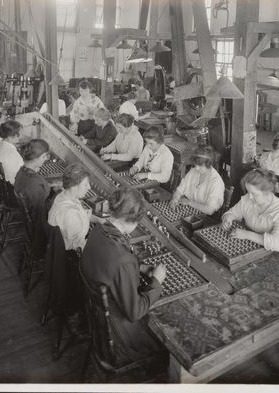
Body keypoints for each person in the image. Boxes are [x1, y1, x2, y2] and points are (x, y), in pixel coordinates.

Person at [80, 187, 167, 363]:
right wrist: (156, 281)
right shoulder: (122, 261)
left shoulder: (99, 230)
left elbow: (112, 262)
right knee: (165, 342)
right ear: (133, 220)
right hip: (119, 337)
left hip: (96, 320)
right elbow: (134, 313)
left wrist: (138, 267)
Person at [222, 168, 279, 263]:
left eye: (254, 194)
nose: (250, 196)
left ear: (267, 192)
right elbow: (232, 213)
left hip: (277, 255)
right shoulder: (248, 199)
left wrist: (246, 234)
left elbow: (277, 244)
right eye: (248, 192)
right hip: (254, 247)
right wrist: (228, 218)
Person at [47, 163, 105, 251]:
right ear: (73, 186)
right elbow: (79, 247)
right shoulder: (70, 213)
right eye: (85, 184)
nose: (89, 187)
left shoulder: (63, 195)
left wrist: (99, 220)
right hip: (72, 254)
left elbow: (82, 214)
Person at [14, 139, 52, 258]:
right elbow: (42, 220)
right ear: (42, 157)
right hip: (40, 235)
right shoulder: (34, 185)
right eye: (46, 156)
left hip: (31, 227)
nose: (46, 160)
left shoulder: (21, 172)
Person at [170, 146, 224, 216]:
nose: (197, 168)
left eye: (200, 166)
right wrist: (175, 199)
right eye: (195, 164)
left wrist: (189, 202)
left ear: (208, 164)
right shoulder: (193, 171)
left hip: (207, 218)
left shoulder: (215, 182)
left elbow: (210, 210)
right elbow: (179, 190)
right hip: (190, 212)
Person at [0, 120, 24, 185]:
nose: (21, 137)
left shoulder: (1, 144)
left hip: (9, 184)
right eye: (18, 134)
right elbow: (19, 177)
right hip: (17, 186)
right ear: (10, 136)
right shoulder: (11, 153)